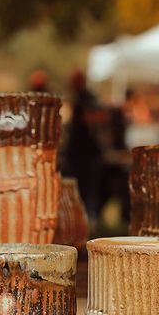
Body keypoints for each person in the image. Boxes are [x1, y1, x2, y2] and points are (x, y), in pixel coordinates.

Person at [63, 70, 105, 223]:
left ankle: (88, 219)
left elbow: (97, 120)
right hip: (79, 151)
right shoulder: (79, 98)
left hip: (86, 151)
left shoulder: (87, 99)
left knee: (87, 189)